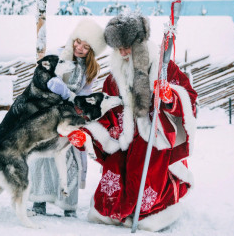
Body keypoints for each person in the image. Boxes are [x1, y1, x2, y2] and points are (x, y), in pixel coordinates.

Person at [81, 13, 198, 232]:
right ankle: (114, 212)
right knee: (114, 168)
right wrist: (92, 133)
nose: (123, 53)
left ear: (139, 44)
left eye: (127, 47)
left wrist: (169, 96)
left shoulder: (164, 68)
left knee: (145, 171)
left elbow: (189, 97)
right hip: (125, 135)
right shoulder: (114, 77)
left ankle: (149, 213)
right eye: (118, 49)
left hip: (156, 134)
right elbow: (111, 110)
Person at [29, 18, 106, 217]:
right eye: (78, 41)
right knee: (42, 158)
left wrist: (74, 101)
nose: (79, 47)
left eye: (86, 46)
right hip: (46, 114)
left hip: (69, 117)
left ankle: (68, 206)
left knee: (70, 160)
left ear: (92, 51)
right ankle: (39, 202)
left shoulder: (90, 69)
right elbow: (40, 81)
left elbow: (84, 96)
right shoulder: (56, 55)